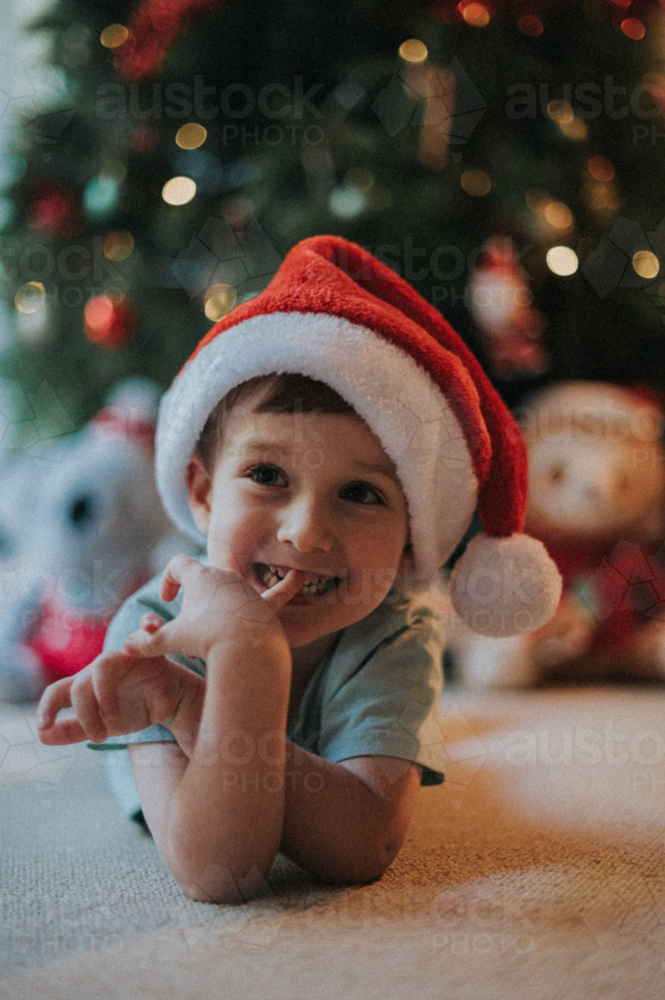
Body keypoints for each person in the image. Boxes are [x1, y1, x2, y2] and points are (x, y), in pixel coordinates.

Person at [36, 235, 562, 904]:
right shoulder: (153, 631)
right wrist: (226, 667)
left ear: (411, 545)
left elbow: (361, 845)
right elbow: (220, 869)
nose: (305, 531)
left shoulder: (394, 628)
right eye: (266, 475)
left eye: (360, 493)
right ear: (201, 494)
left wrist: (226, 678)